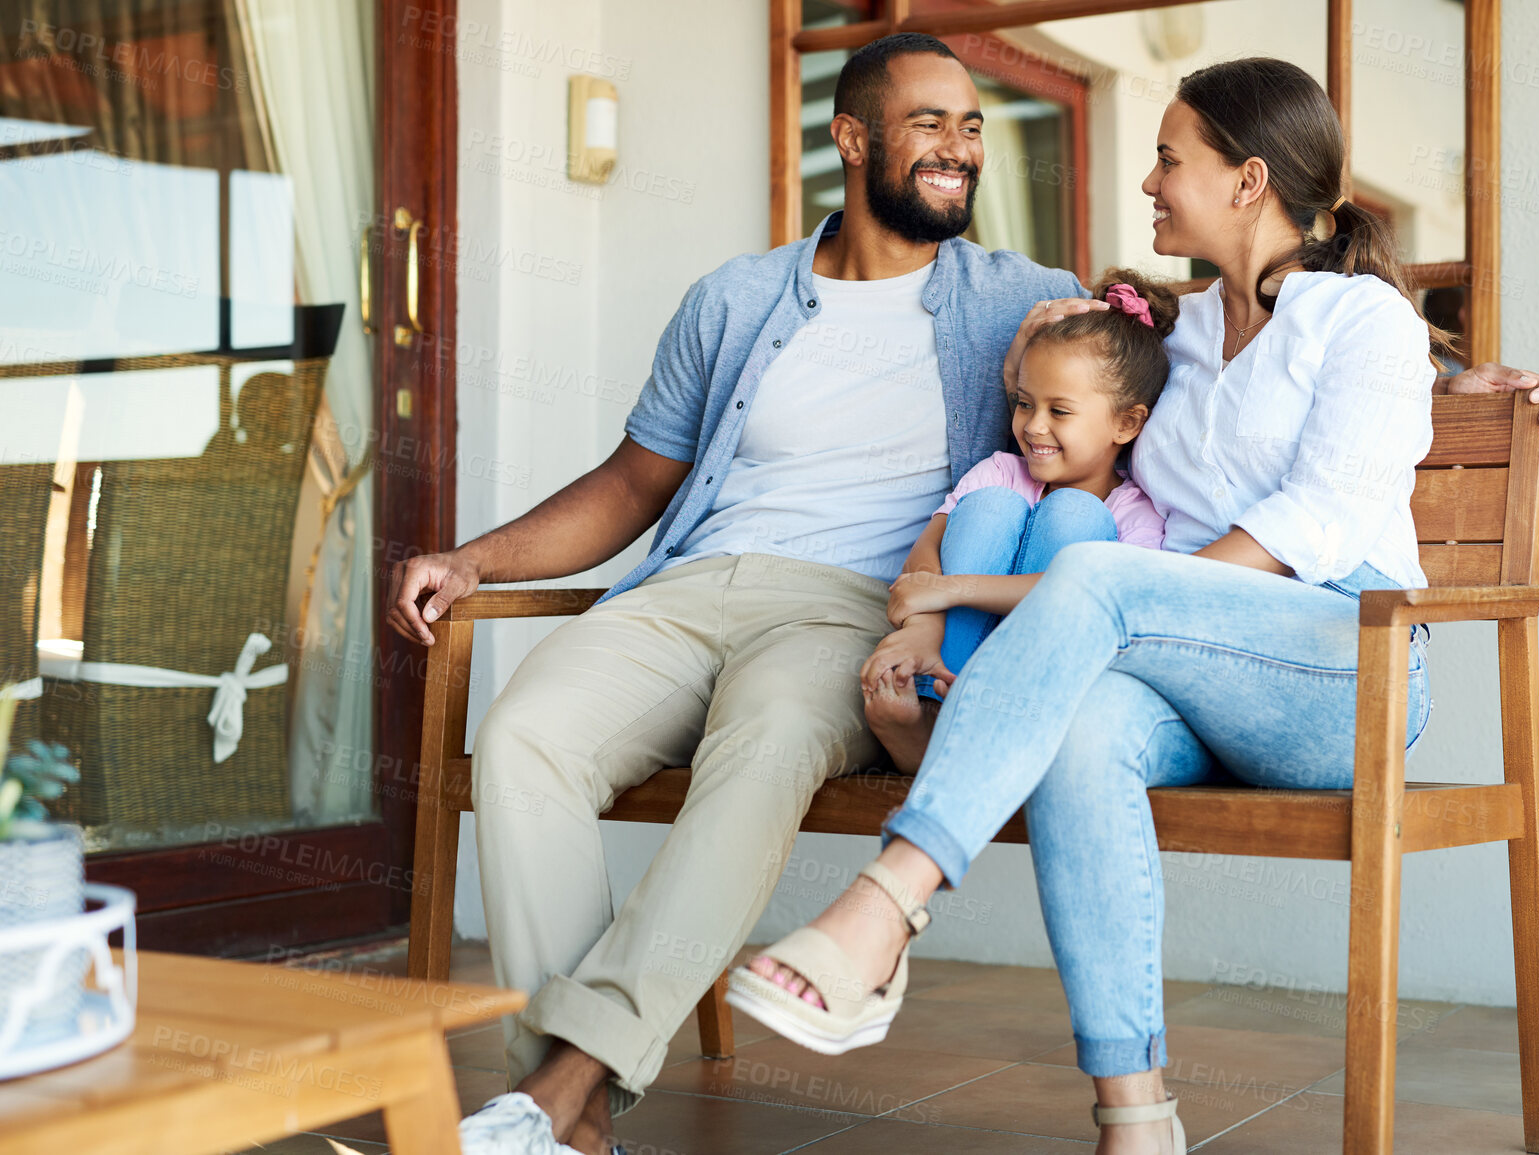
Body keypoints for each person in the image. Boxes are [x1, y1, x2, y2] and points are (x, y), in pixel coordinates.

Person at [731, 56, 1539, 1155]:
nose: (1150, 181)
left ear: (1250, 180)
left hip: (1342, 668)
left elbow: (1323, 512)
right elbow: (1073, 408)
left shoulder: (1363, 322)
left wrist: (1449, 380)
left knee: (1100, 575)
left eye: (1170, 158)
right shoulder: (1176, 334)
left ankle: (888, 902)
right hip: (1187, 674)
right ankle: (1136, 1119)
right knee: (1084, 737)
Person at [390, 33, 1086, 1155]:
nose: (959, 148)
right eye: (929, 124)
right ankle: (568, 1120)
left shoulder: (1023, 299)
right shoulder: (735, 300)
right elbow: (631, 484)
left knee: (762, 743)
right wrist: (473, 560)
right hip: (690, 587)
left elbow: (1202, 336)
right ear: (851, 138)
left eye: (972, 126)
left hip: (855, 608)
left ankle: (561, 1092)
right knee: (523, 738)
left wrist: (1446, 364)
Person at [863, 271, 1176, 772]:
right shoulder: (1000, 473)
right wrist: (924, 624)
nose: (1033, 426)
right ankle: (934, 706)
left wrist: (954, 590)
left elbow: (1087, 600)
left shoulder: (1134, 514)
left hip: (1043, 687)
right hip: (952, 659)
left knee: (1075, 515)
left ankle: (985, 727)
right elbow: (927, 552)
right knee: (991, 507)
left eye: (1060, 410)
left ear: (1127, 422)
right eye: (1025, 403)